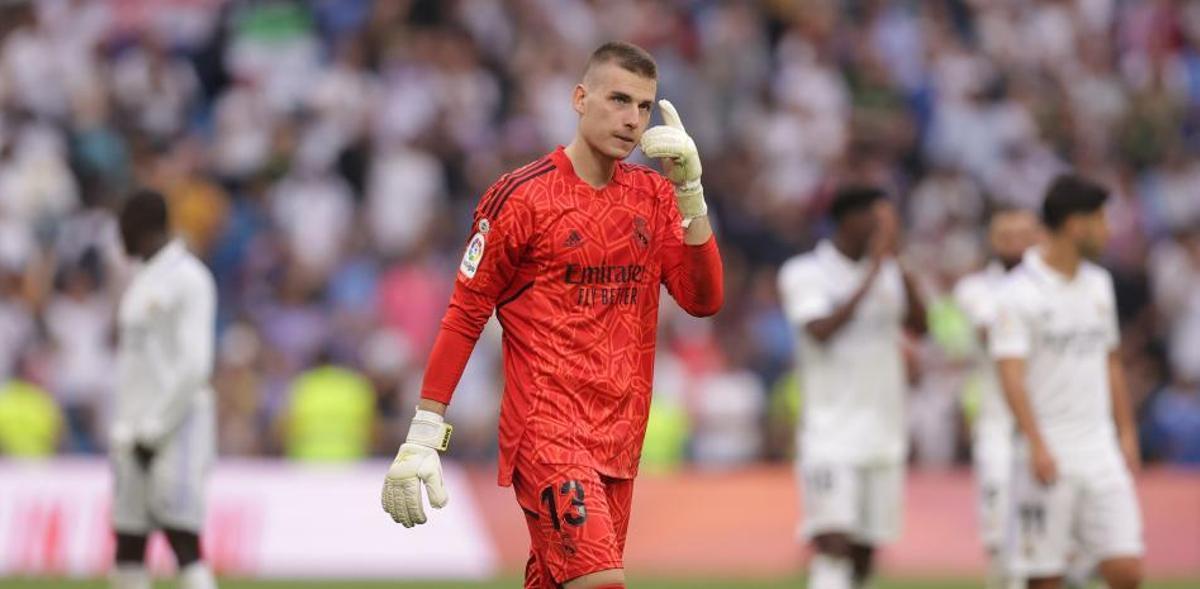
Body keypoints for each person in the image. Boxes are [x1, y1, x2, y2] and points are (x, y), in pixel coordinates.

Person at [379, 41, 723, 589]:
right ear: (579, 99)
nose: (632, 119)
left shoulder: (655, 197)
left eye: (643, 106)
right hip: (547, 433)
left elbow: (703, 299)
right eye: (618, 100)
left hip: (621, 438)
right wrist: (424, 431)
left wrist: (690, 191)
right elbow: (465, 314)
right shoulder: (520, 198)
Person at [992, 175, 1144, 589]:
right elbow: (1011, 376)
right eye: (1101, 220)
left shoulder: (1099, 285)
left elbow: (1110, 362)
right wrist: (1036, 442)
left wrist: (1127, 433)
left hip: (1099, 447)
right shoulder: (1017, 293)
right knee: (1045, 578)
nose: (1108, 230)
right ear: (1077, 225)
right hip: (1049, 451)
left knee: (1127, 569)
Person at [777, 186, 927, 589]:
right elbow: (821, 330)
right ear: (847, 220)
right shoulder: (804, 271)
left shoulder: (892, 271)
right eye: (876, 220)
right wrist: (875, 271)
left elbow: (921, 326)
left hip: (883, 429)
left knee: (863, 555)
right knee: (832, 544)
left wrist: (900, 265)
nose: (883, 229)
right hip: (829, 430)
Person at [110, 190, 218, 589]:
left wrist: (154, 429)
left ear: (140, 227)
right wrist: (131, 430)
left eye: (121, 227)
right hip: (131, 433)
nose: (117, 237)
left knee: (182, 538)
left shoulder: (189, 278)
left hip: (176, 429)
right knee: (129, 539)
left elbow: (195, 365)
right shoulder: (142, 279)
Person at [953, 206, 1040, 589]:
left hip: (1050, 420)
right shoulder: (975, 289)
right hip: (998, 423)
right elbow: (995, 334)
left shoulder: (1057, 286)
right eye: (1006, 236)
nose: (1015, 244)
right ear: (992, 240)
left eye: (1024, 234)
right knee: (998, 526)